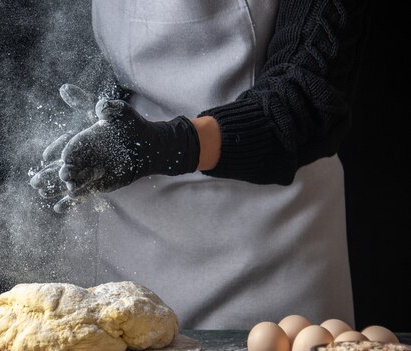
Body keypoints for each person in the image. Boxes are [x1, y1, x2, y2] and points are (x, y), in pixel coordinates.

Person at [30, 0, 369, 329]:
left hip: (271, 241)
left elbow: (305, 102)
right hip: (135, 237)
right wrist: (101, 125)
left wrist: (170, 145)